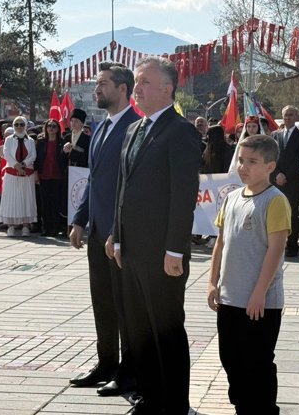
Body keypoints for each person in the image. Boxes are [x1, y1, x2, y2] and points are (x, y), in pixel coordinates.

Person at [105, 56, 200, 415]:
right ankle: (149, 397)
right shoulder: (135, 129)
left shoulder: (180, 131)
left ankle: (174, 404)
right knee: (139, 327)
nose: (138, 88)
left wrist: (175, 249)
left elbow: (182, 195)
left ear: (167, 89)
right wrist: (115, 235)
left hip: (162, 252)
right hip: (130, 249)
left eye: (145, 82)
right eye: (137, 82)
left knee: (166, 329)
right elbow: (122, 188)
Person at [69, 61, 141, 395]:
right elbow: (94, 180)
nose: (97, 89)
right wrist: (80, 220)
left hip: (121, 233)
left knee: (124, 303)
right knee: (102, 301)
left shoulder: (136, 127)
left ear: (123, 89)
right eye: (97, 84)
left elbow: (133, 186)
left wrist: (119, 230)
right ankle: (106, 362)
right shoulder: (99, 128)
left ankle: (129, 371)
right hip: (97, 230)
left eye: (103, 84)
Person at [207, 134, 290, 414]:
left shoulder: (275, 201)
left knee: (258, 363)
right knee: (230, 359)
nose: (243, 167)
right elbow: (220, 242)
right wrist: (212, 282)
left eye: (252, 162)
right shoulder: (231, 197)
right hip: (230, 298)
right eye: (241, 160)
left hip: (259, 302)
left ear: (270, 166)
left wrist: (259, 292)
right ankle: (243, 407)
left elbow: (276, 250)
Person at [272, 105, 299, 257]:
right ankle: (274, 244)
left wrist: (288, 176)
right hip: (276, 181)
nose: (288, 118)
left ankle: (291, 245)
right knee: (275, 213)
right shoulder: (275, 135)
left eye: (291, 115)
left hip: (293, 182)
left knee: (291, 214)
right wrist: (277, 174)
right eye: (286, 115)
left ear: (296, 117)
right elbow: (271, 158)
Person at [0, 116, 37, 237]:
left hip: (27, 173)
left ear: (25, 125)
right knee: (11, 199)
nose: (19, 127)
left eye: (21, 124)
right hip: (12, 172)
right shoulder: (9, 139)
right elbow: (6, 153)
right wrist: (16, 166)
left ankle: (26, 226)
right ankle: (11, 226)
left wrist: (24, 164)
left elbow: (33, 155)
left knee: (26, 198)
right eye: (16, 125)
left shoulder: (30, 140)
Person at [34, 119, 67, 237]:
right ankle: (46, 227)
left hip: (58, 176)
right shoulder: (41, 142)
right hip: (44, 175)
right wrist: (36, 173)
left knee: (55, 203)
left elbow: (64, 159)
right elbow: (37, 159)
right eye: (49, 126)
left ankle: (55, 228)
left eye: (54, 126)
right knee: (45, 203)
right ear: (46, 128)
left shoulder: (62, 142)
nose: (51, 128)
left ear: (58, 129)